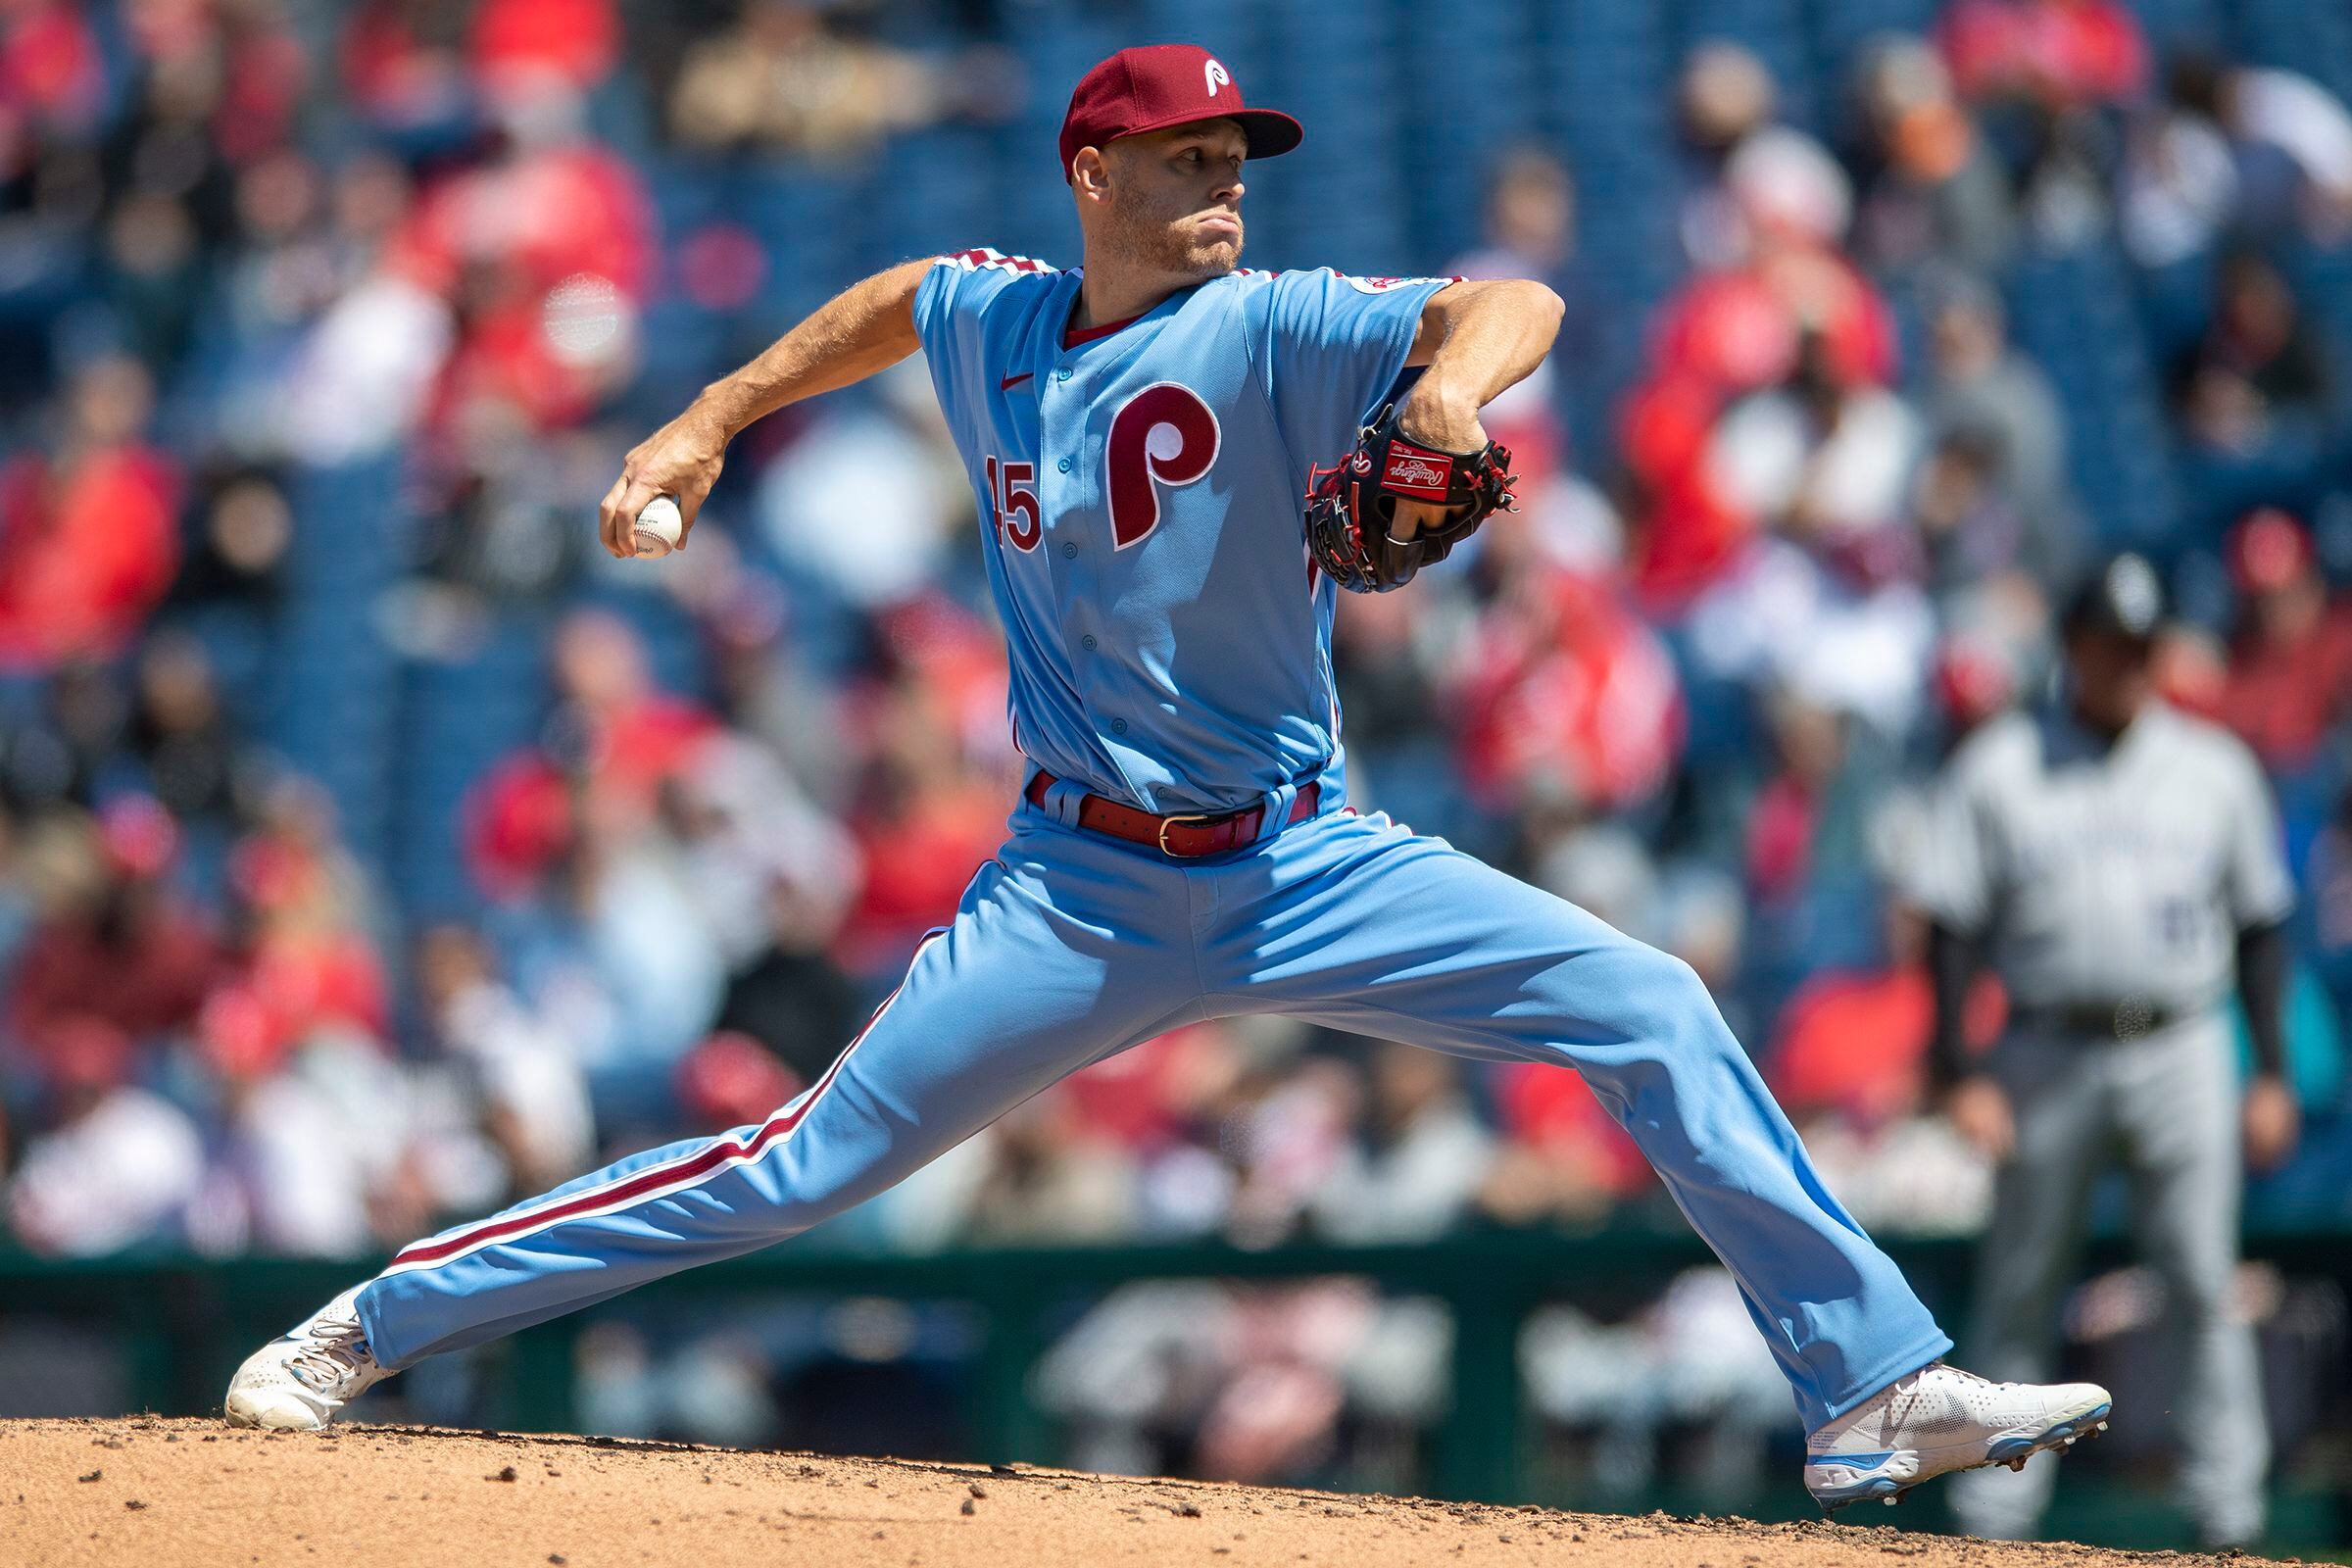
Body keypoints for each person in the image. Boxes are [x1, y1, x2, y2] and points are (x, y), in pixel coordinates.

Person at [224, 43, 2109, 1511]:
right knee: (793, 1165)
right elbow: (890, 297)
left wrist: (1450, 396)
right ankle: (361, 1327)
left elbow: (1503, 301)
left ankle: (1870, 1389)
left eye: (1239, 159)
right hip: (1074, 891)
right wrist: (708, 417)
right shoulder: (1002, 320)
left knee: (1652, 1002)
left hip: (1310, 862)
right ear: (1094, 173)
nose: (1226, 185)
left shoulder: (1273, 321)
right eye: (1194, 159)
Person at [1916, 553, 2294, 1547]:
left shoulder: (2213, 766)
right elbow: (1950, 926)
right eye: (2106, 645)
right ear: (2072, 647)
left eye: (2140, 646)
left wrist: (2271, 1074)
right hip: (2047, 1048)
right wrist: (1958, 1069)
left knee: (2205, 1283)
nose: (2124, 664)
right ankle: (1995, 1518)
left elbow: (2260, 928)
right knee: (2022, 1286)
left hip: (2182, 1043)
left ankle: (2228, 1518)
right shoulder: (2002, 762)